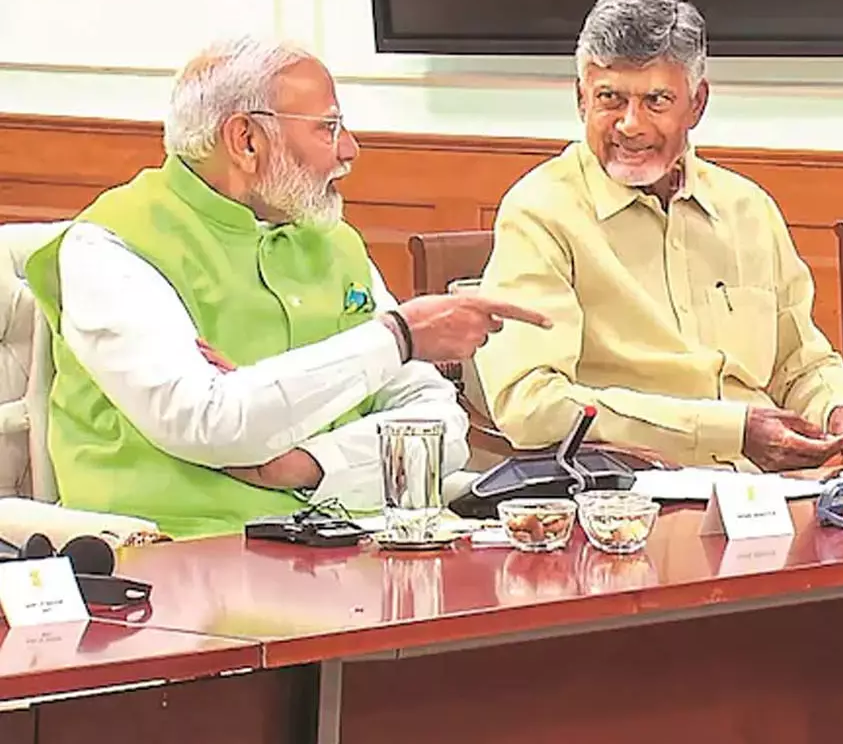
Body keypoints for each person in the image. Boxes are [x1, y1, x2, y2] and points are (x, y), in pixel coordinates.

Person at [25, 37, 550, 538]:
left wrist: (308, 463)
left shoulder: (330, 239)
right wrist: (396, 337)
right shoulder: (112, 246)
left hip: (345, 545)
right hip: (181, 556)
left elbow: (440, 427)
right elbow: (208, 423)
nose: (350, 149)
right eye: (328, 128)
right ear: (246, 140)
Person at [474, 0, 843, 470]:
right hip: (634, 493)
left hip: (774, 488)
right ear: (581, 99)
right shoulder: (540, 212)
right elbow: (529, 404)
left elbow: (800, 364)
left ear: (697, 104)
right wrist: (727, 431)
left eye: (656, 100)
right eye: (609, 98)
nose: (630, 124)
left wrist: (839, 411)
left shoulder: (748, 208)